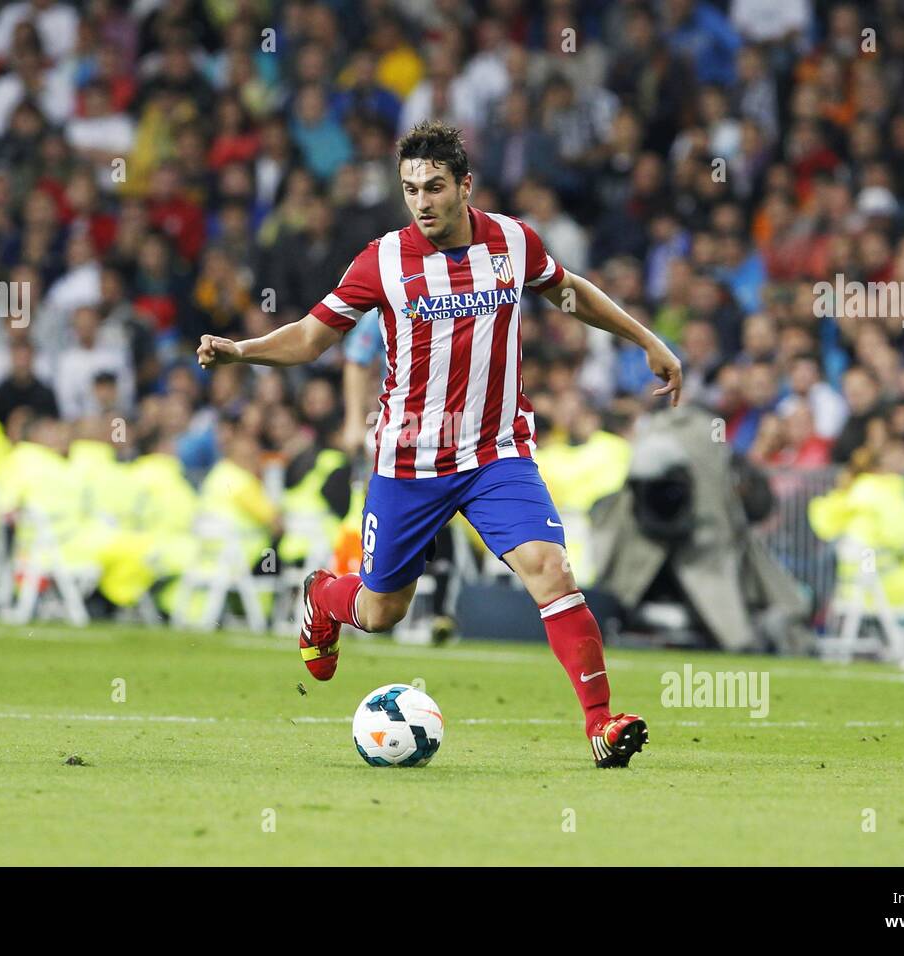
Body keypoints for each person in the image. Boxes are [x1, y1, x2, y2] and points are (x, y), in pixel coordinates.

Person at [197, 122, 683, 769]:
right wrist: (243, 350)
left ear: (464, 186)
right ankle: (321, 597)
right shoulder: (382, 261)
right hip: (409, 463)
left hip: (495, 454)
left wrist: (647, 339)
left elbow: (569, 293)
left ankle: (600, 723)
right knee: (382, 610)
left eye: (433, 187)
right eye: (410, 190)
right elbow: (314, 337)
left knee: (552, 569)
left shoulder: (512, 241)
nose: (421, 202)